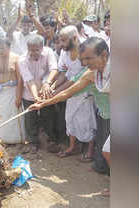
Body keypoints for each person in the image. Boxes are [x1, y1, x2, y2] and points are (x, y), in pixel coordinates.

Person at [27, 37, 110, 175]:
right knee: (106, 149)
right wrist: (44, 103)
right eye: (82, 59)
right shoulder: (90, 74)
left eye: (88, 58)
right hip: (106, 115)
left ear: (104, 55)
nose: (84, 63)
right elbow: (68, 93)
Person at [51, 25, 97, 160]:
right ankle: (73, 147)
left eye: (64, 41)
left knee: (87, 120)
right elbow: (63, 74)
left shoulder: (87, 50)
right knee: (70, 118)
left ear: (75, 38)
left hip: (86, 90)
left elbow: (74, 80)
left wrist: (56, 94)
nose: (61, 44)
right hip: (70, 92)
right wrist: (52, 87)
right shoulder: (65, 53)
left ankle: (90, 151)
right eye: (60, 41)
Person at [16, 34, 60, 154]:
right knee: (30, 119)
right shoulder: (22, 60)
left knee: (48, 116)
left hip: (46, 93)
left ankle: (51, 140)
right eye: (31, 50)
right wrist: (36, 98)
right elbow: (29, 80)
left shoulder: (49, 52)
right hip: (29, 94)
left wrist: (46, 83)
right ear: (27, 48)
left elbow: (54, 70)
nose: (34, 52)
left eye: (36, 50)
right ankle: (33, 142)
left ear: (42, 47)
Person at [0, 39, 25, 145]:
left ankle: (17, 140)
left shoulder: (16, 58)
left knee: (14, 116)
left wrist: (18, 96)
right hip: (0, 93)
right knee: (2, 116)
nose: (0, 50)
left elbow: (20, 79)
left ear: (9, 48)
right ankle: (4, 139)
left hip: (13, 91)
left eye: (2, 48)